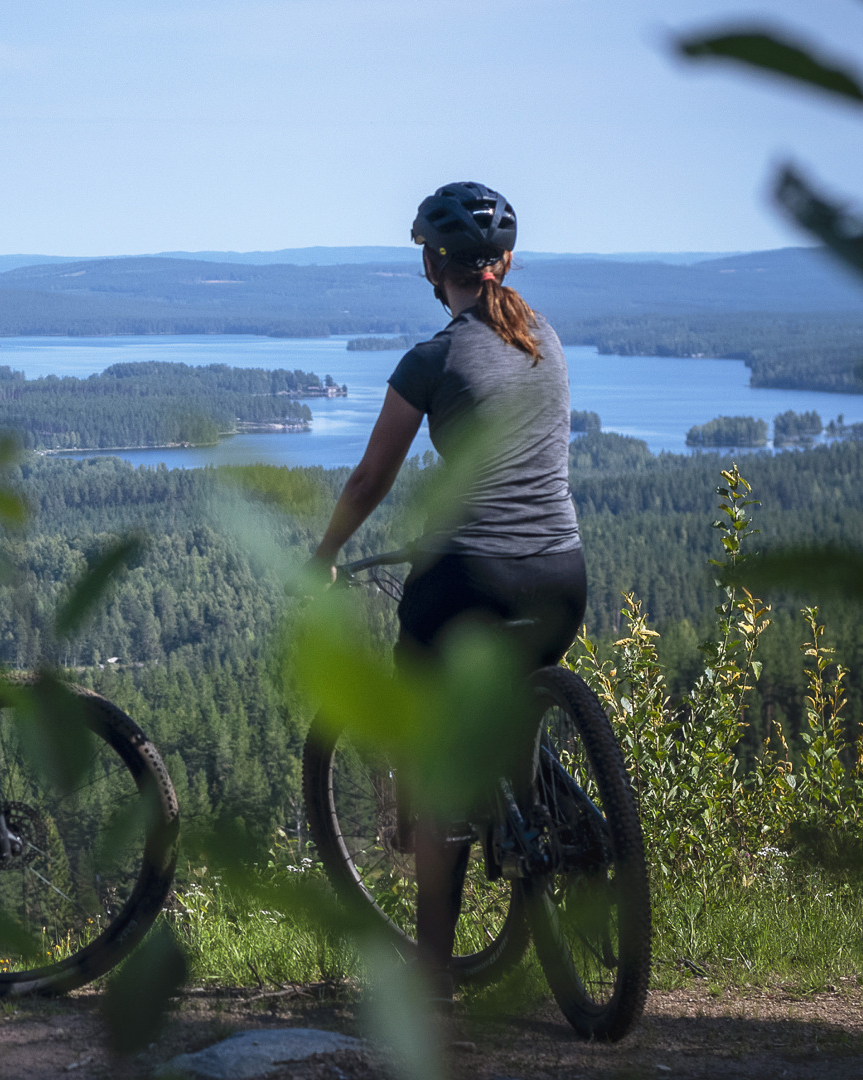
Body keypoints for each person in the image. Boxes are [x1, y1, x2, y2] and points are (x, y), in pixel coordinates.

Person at [308, 182, 585, 1007]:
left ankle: (431, 974)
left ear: (434, 264)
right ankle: (545, 814)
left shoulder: (432, 358)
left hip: (471, 579)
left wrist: (324, 555)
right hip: (563, 578)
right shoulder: (548, 340)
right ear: (506, 262)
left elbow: (368, 479)